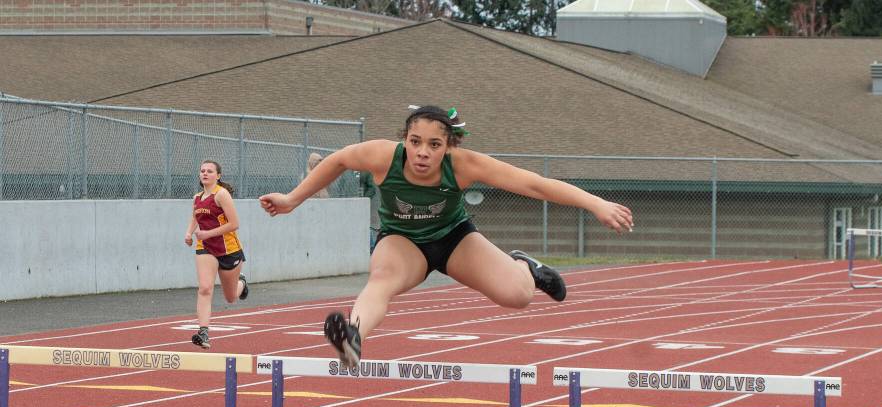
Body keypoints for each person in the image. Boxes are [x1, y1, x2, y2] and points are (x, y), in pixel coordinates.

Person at [258, 105, 632, 368]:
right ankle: (353, 337)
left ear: (449, 146)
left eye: (434, 145)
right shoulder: (382, 156)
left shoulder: (464, 165)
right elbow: (337, 160)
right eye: (415, 142)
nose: (422, 153)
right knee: (382, 279)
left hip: (454, 238)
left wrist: (595, 203)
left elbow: (535, 185)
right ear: (404, 138)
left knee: (517, 297)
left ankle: (526, 268)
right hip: (402, 241)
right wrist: (293, 199)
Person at [184, 160, 249, 350]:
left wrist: (208, 233)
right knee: (205, 288)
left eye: (209, 171)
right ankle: (203, 332)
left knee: (230, 297)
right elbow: (195, 217)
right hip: (205, 247)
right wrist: (189, 233)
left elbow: (234, 224)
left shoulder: (222, 194)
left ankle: (242, 283)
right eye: (202, 171)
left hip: (228, 249)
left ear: (218, 176)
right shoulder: (197, 197)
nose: (205, 173)